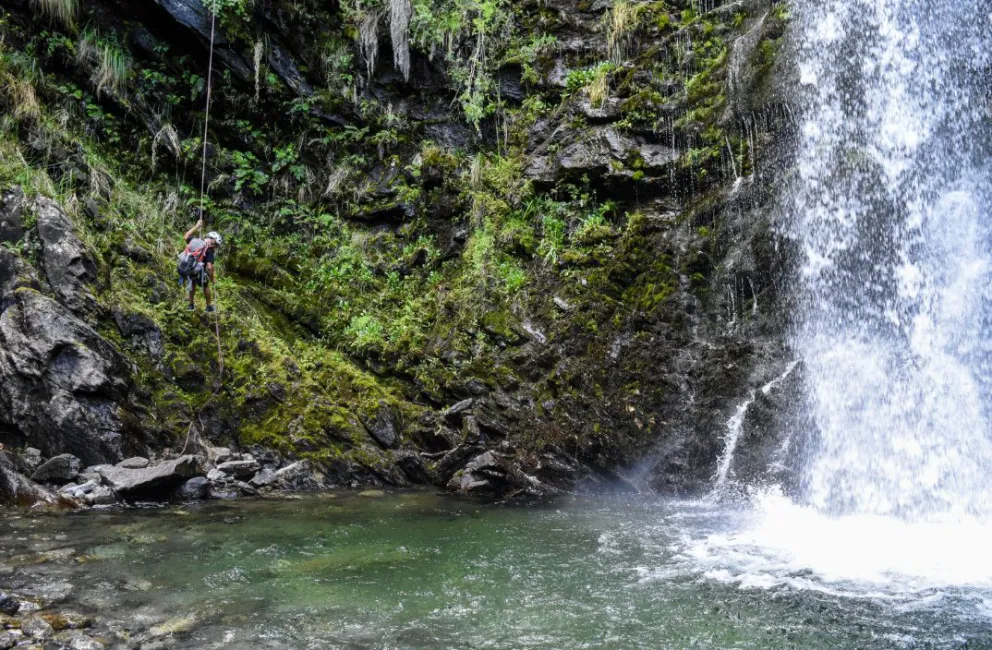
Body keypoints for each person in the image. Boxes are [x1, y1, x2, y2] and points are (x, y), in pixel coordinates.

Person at [182, 218, 222, 312]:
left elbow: (186, 236)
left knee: (193, 285)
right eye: (216, 245)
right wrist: (212, 279)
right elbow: (209, 267)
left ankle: (191, 305)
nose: (215, 247)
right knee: (206, 287)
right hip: (200, 271)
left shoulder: (197, 241)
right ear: (213, 240)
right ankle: (209, 307)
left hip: (190, 268)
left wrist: (196, 226)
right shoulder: (209, 250)